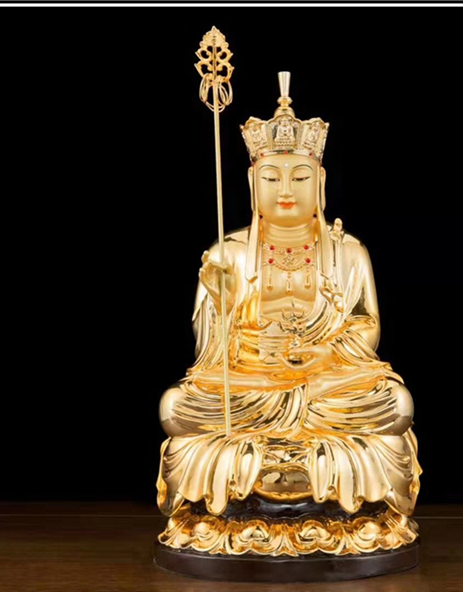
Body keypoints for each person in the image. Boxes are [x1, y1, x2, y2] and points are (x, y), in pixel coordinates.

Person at [156, 74, 422, 524]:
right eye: (271, 178)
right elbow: (206, 355)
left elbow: (366, 327)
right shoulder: (227, 254)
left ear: (320, 180)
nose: (285, 191)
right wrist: (222, 307)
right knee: (176, 408)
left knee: (396, 405)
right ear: (251, 181)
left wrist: (325, 355)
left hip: (325, 384)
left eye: (299, 177)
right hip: (253, 383)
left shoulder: (348, 252)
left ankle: (273, 458)